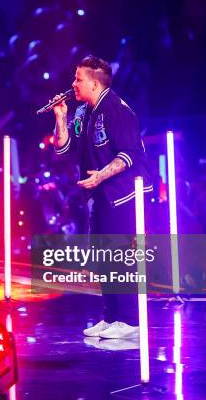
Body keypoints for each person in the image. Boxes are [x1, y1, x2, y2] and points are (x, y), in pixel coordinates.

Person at [52, 55, 152, 339]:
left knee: (121, 256)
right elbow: (63, 148)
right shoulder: (84, 111)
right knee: (104, 256)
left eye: (78, 79)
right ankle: (111, 317)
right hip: (100, 193)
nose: (73, 84)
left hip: (125, 194)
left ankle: (130, 321)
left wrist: (99, 176)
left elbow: (130, 156)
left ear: (94, 83)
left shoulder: (118, 110)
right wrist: (60, 118)